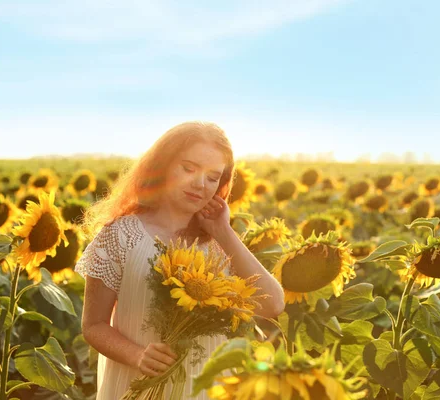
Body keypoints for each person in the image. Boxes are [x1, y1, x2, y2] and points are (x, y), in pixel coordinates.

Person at [76, 121, 285, 399]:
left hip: (205, 389)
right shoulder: (122, 235)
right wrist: (137, 355)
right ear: (162, 165)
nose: (199, 184)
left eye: (212, 177)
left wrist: (223, 232)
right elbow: (93, 325)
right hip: (136, 382)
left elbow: (272, 305)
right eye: (188, 168)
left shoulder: (220, 244)